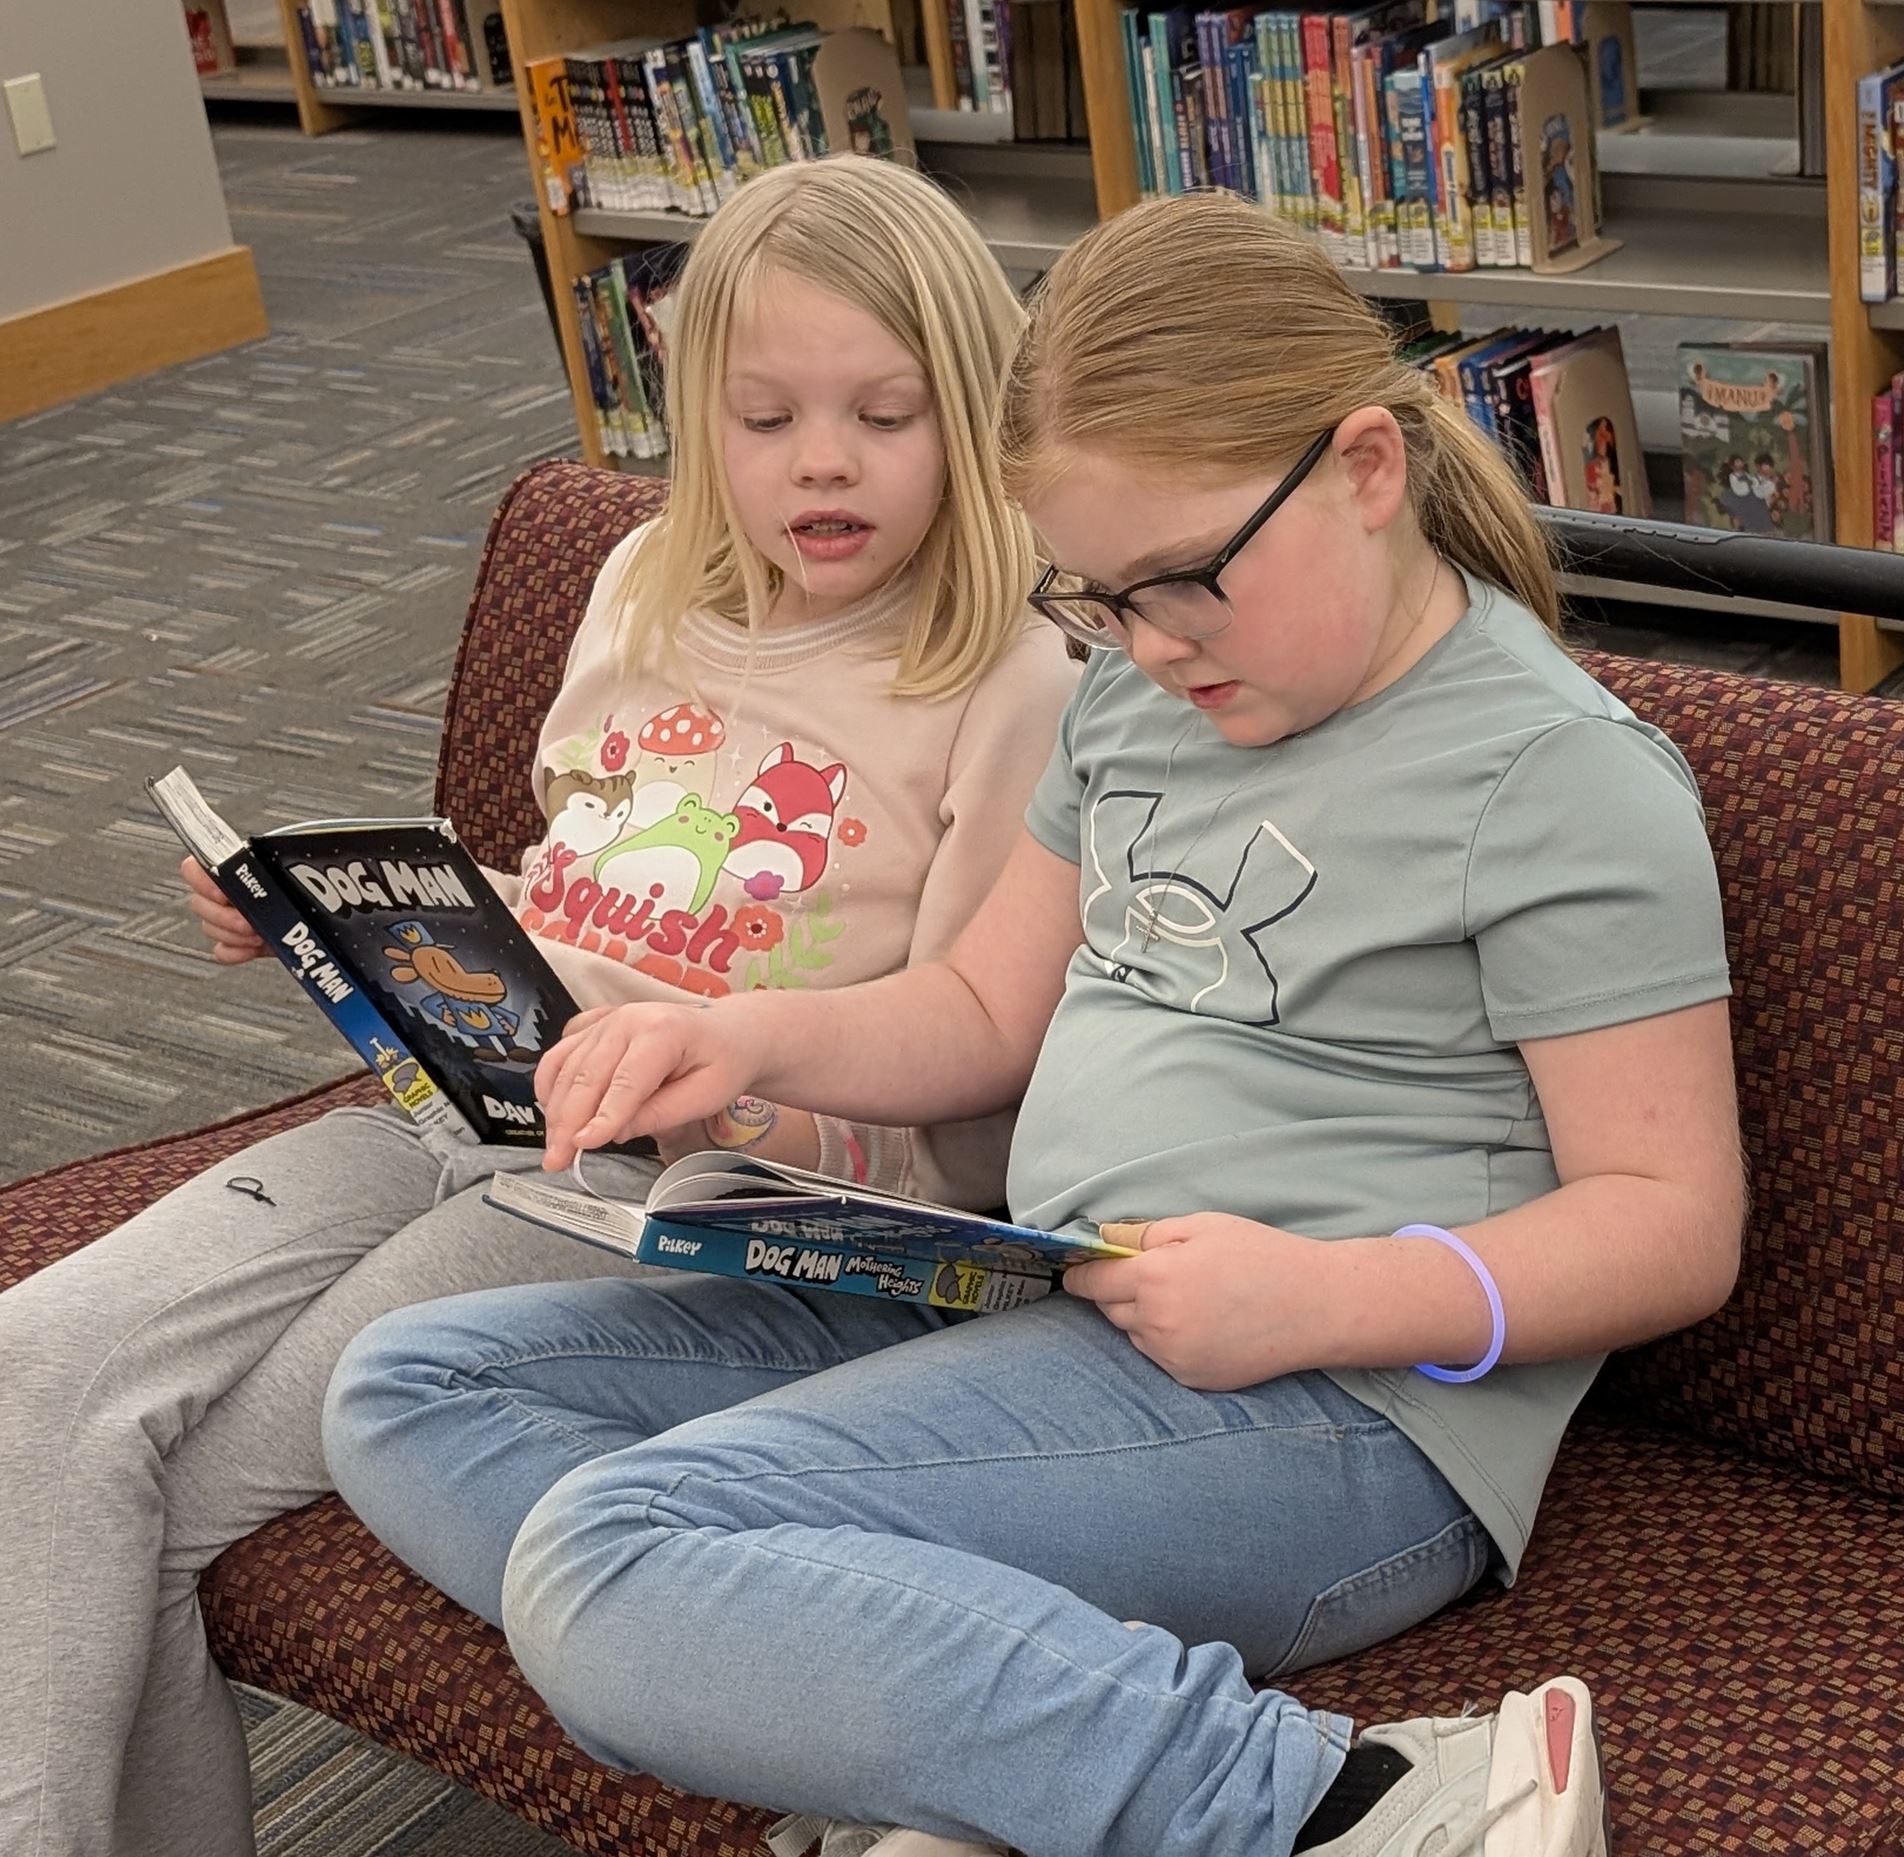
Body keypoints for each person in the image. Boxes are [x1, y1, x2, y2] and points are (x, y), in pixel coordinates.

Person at [322, 189, 1746, 1857]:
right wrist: (751, 1040)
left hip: (1346, 1402)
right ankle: (916, 1729)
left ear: (1369, 471)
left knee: (608, 1546)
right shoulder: (1146, 699)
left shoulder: (1558, 775)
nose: (1147, 642)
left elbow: (1673, 1227)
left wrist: (1321, 1294)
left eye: (1187, 581)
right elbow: (988, 1008)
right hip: (1035, 1293)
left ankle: (1356, 1803)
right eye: (1101, 598)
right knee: (409, 1390)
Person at [0, 153, 1076, 1857]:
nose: (821, 461)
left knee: (141, 1493)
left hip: (665, 1192)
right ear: (692, 416)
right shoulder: (649, 583)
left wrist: (714, 1085)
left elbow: (973, 1075)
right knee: (29, 1369)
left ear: (972, 414)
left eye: (885, 414)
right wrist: (346, 925)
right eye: (765, 415)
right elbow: (580, 874)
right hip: (460, 1110)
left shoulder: (1007, 683)